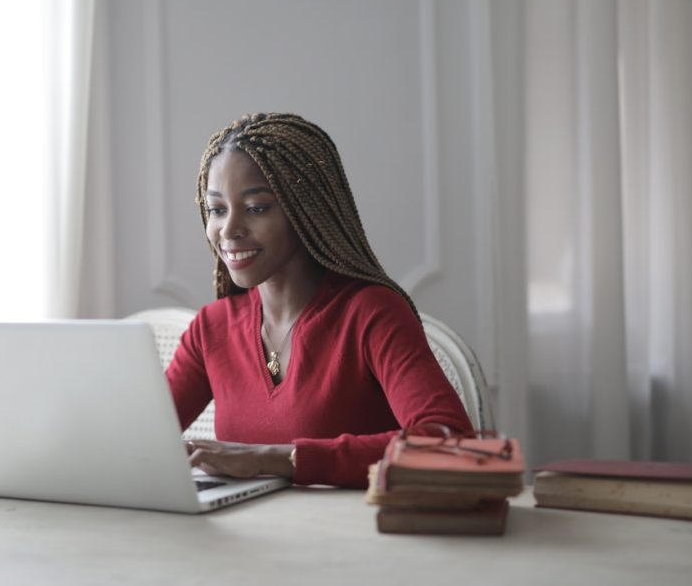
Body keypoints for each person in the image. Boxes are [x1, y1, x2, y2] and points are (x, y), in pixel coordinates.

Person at [165, 112, 473, 489]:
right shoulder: (211, 328)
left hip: (351, 539)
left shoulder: (371, 313)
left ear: (305, 210)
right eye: (217, 209)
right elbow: (138, 439)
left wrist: (274, 459)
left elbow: (450, 443)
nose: (228, 230)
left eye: (256, 208)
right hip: (243, 538)